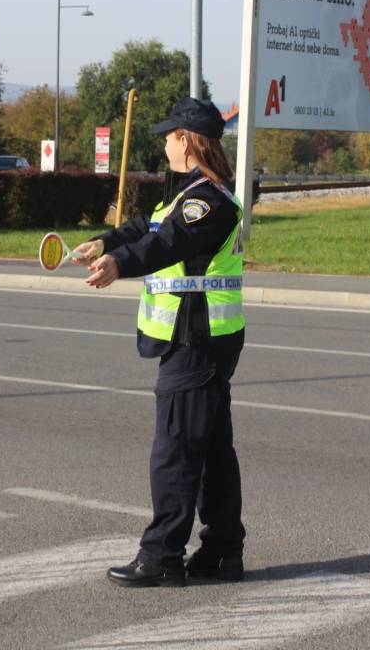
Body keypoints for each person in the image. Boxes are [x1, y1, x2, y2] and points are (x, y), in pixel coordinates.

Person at [72, 96, 246, 588]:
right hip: (202, 338)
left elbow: (166, 243)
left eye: (170, 135)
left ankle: (162, 556)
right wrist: (105, 243)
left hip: (195, 339)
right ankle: (220, 551)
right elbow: (145, 228)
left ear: (188, 142)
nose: (165, 143)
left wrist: (121, 264)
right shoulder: (190, 195)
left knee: (175, 449)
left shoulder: (205, 201)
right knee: (211, 449)